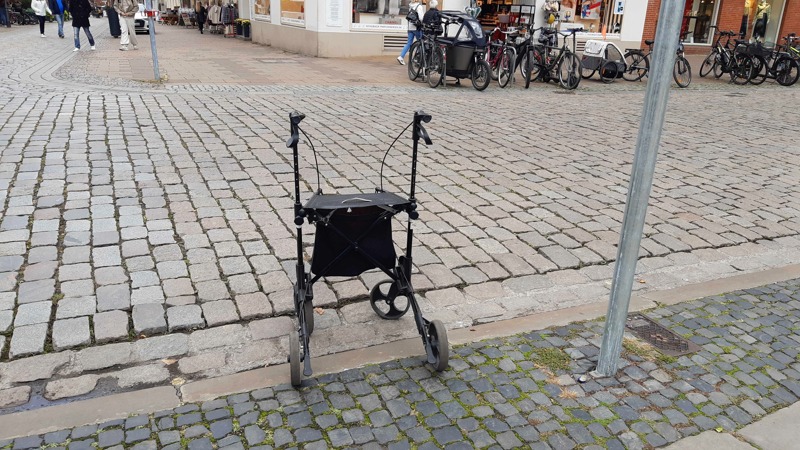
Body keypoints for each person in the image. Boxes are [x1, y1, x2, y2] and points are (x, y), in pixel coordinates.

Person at [397, 0, 424, 65]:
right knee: (420, 43)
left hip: (410, 28)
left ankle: (401, 57)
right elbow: (421, 18)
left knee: (409, 43)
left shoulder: (410, 6)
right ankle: (416, 58)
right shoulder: (419, 6)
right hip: (417, 28)